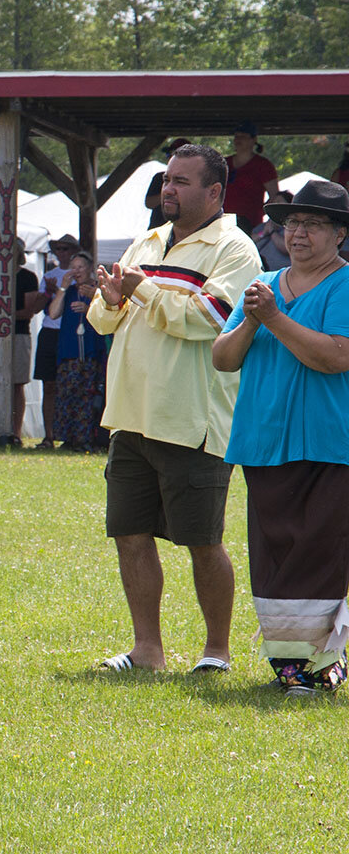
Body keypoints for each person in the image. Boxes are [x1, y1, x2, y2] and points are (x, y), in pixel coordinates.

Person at [88, 143, 260, 674]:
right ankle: (148, 651)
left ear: (214, 192)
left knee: (203, 542)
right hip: (131, 417)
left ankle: (217, 652)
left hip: (192, 420)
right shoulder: (149, 239)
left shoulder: (235, 249)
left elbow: (210, 319)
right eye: (167, 179)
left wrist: (140, 293)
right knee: (130, 535)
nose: (169, 189)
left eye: (182, 182)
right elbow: (99, 318)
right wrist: (115, 297)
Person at [213, 180, 349, 696]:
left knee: (319, 550)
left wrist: (274, 317)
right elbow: (223, 360)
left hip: (329, 442)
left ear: (339, 235)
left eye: (313, 225)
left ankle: (319, 670)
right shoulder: (261, 282)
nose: (298, 233)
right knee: (274, 554)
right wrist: (251, 320)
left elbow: (336, 356)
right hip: (264, 440)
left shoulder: (345, 286)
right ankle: (288, 667)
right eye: (292, 223)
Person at [0, 240, 39, 445]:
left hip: (19, 334)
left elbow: (28, 311)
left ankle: (16, 433)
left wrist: (5, 316)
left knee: (17, 384)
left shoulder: (28, 278)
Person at [46, 251, 104, 452]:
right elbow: (53, 313)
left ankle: (86, 438)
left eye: (80, 267)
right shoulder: (69, 291)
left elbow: (109, 316)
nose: (77, 271)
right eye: (73, 267)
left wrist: (88, 309)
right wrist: (62, 287)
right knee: (66, 394)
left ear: (90, 269)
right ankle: (67, 438)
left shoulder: (98, 291)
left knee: (87, 396)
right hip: (68, 350)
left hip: (90, 350)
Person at [33, 234, 79, 449]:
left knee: (70, 385)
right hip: (50, 332)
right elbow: (42, 308)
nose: (61, 253)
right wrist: (50, 293)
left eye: (65, 248)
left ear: (73, 252)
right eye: (58, 249)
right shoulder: (49, 275)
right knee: (48, 385)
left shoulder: (80, 276)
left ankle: (70, 433)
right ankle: (48, 435)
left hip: (70, 333)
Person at [224, 121, 280, 236]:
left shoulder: (263, 165)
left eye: (243, 136)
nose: (238, 139)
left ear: (254, 140)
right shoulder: (224, 163)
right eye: (236, 136)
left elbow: (276, 196)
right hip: (223, 224)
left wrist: (259, 212)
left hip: (251, 226)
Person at [144, 139, 190, 230]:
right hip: (158, 229)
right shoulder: (159, 177)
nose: (169, 158)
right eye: (169, 154)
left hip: (184, 231)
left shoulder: (196, 179)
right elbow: (149, 203)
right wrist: (167, 193)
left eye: (173, 154)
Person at [249, 189, 292, 271]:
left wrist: (272, 232)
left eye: (279, 202)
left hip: (279, 274)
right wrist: (263, 233)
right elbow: (250, 241)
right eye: (273, 202)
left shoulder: (292, 229)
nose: (275, 205)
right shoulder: (261, 227)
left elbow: (287, 248)